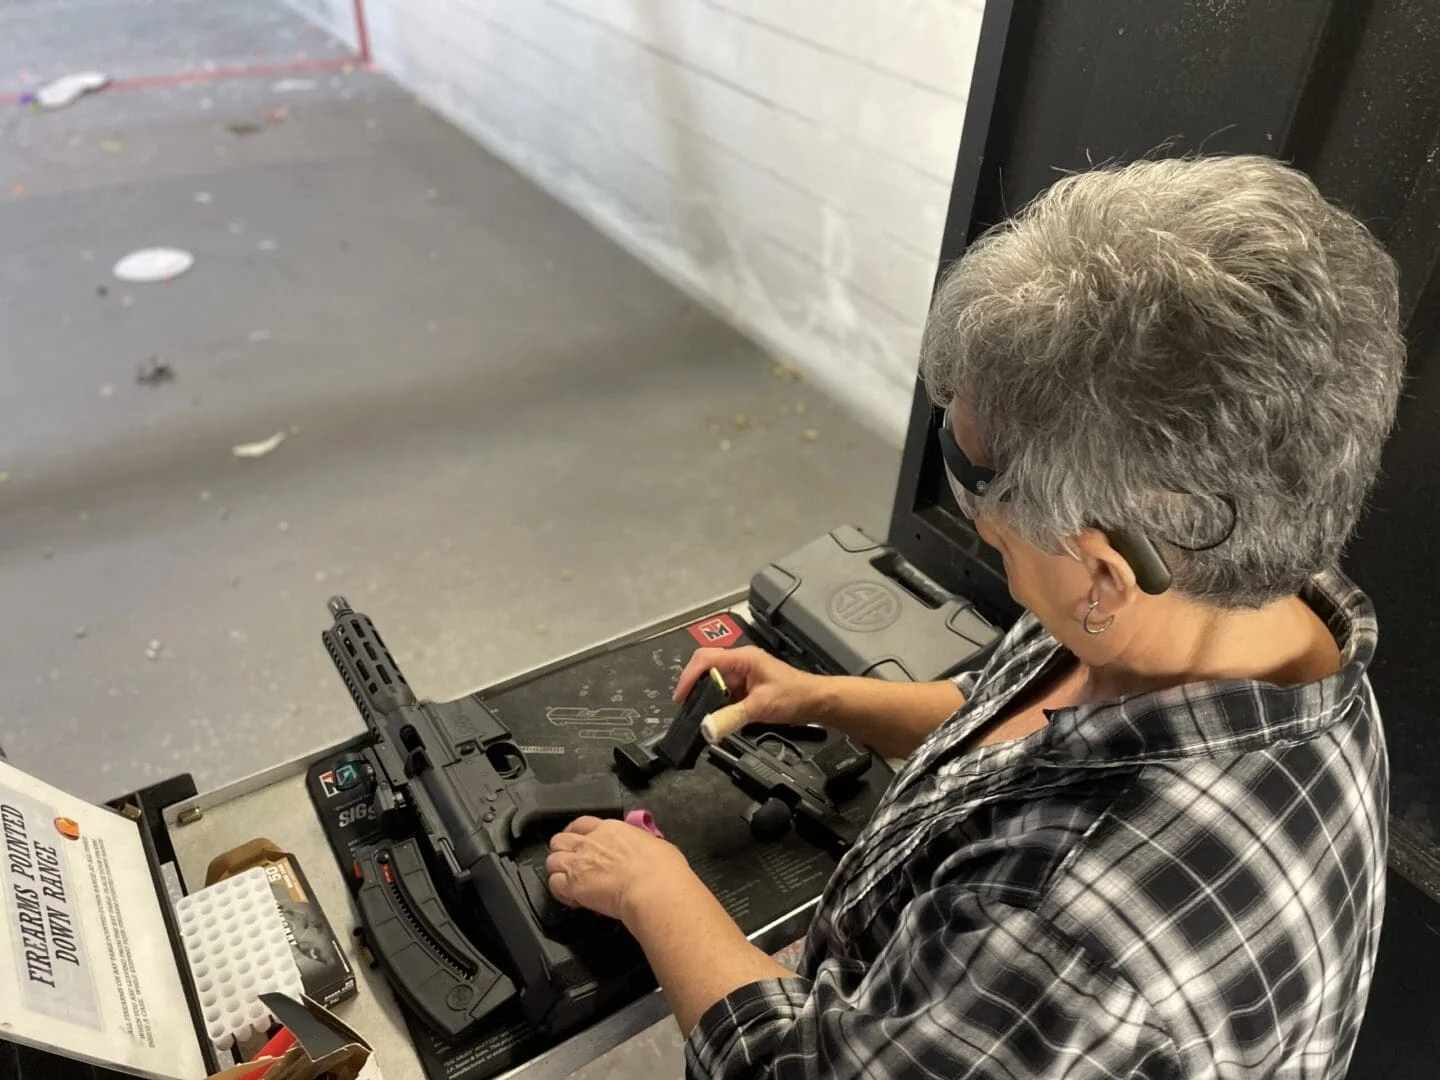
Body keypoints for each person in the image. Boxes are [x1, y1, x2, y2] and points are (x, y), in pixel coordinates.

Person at [544, 155, 1405, 1079]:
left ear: (1104, 571)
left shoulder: (1071, 950)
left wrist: (655, 890)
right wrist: (825, 698)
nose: (988, 538)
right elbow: (1014, 735)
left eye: (995, 535)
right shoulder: (1222, 605)